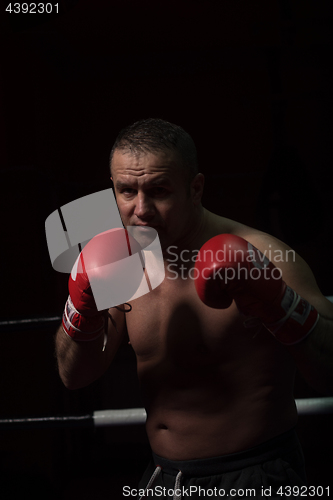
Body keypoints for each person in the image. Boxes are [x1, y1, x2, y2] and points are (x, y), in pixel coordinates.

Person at [55, 118, 333, 499]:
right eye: (126, 191)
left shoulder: (266, 254)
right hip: (163, 478)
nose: (141, 210)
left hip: (256, 476)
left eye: (159, 191)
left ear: (195, 188)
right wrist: (81, 309)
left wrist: (278, 305)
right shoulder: (117, 265)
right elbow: (74, 375)